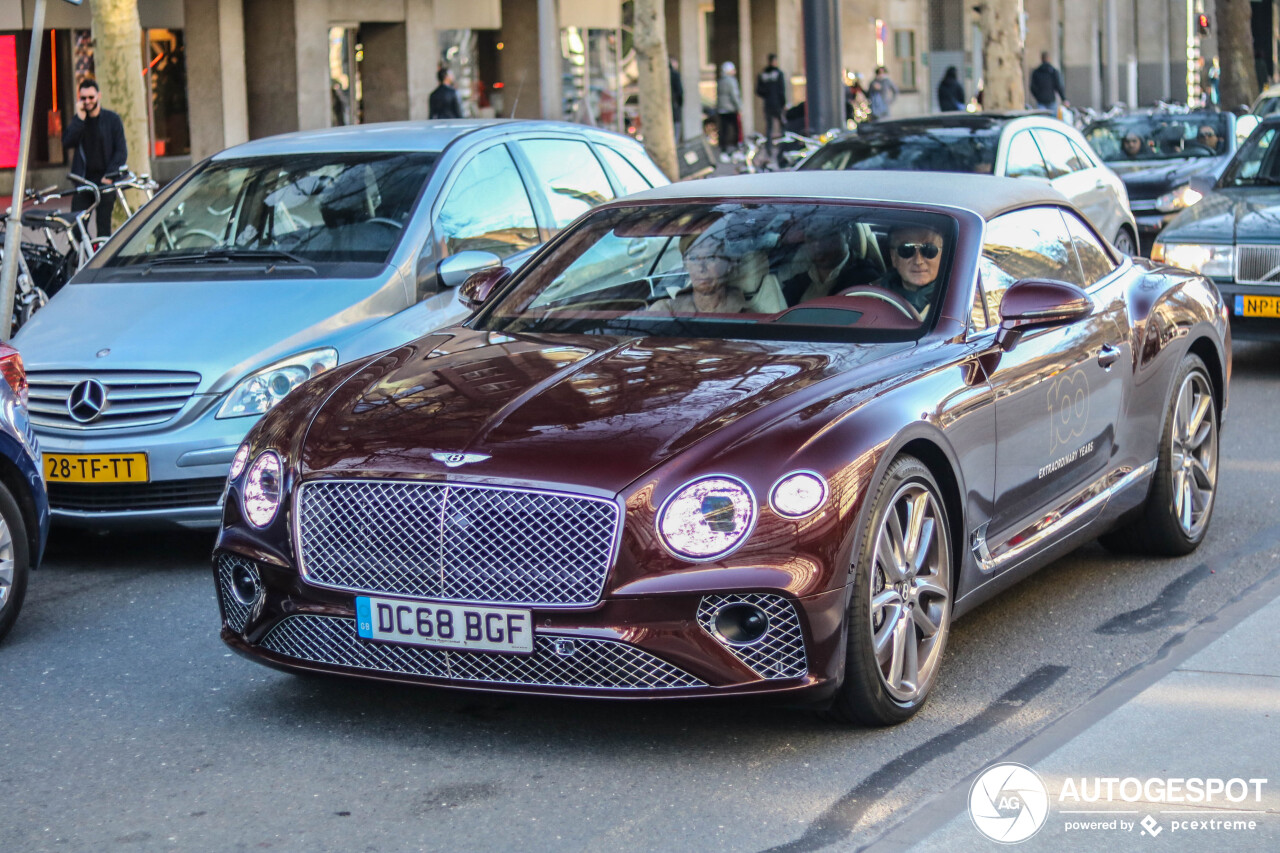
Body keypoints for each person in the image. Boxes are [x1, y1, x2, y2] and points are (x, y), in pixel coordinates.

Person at [61, 78, 127, 239]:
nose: (87, 102)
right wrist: (79, 119)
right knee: (77, 227)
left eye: (91, 97)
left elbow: (121, 151)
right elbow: (67, 142)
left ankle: (99, 257)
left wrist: (110, 175)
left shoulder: (112, 119)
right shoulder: (79, 121)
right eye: (83, 98)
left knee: (103, 228)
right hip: (84, 182)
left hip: (105, 182)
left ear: (99, 96)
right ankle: (88, 255)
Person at [648, 231, 746, 314]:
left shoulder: (748, 315)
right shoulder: (665, 311)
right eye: (694, 258)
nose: (701, 268)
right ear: (686, 265)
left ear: (729, 263)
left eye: (710, 257)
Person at [781, 223, 879, 306]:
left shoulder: (866, 282)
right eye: (811, 237)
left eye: (827, 236)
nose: (817, 244)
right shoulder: (796, 281)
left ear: (847, 234)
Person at [882, 224, 945, 317]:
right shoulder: (873, 296)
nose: (918, 261)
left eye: (929, 249)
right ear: (893, 257)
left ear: (942, 256)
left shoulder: (958, 301)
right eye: (906, 249)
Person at [756, 54, 787, 154]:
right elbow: (782, 90)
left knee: (769, 127)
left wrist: (766, 94)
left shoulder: (763, 74)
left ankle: (769, 148)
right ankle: (783, 146)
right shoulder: (778, 73)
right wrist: (783, 103)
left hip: (768, 104)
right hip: (777, 103)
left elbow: (758, 90)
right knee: (783, 126)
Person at [716, 61, 742, 159]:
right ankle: (736, 150)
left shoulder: (720, 81)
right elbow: (734, 96)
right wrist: (739, 107)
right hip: (731, 109)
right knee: (736, 130)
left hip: (722, 109)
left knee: (724, 131)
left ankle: (723, 150)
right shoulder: (731, 81)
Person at [669, 57, 685, 142]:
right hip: (674, 107)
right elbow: (680, 92)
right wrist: (679, 104)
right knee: (676, 129)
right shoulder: (675, 75)